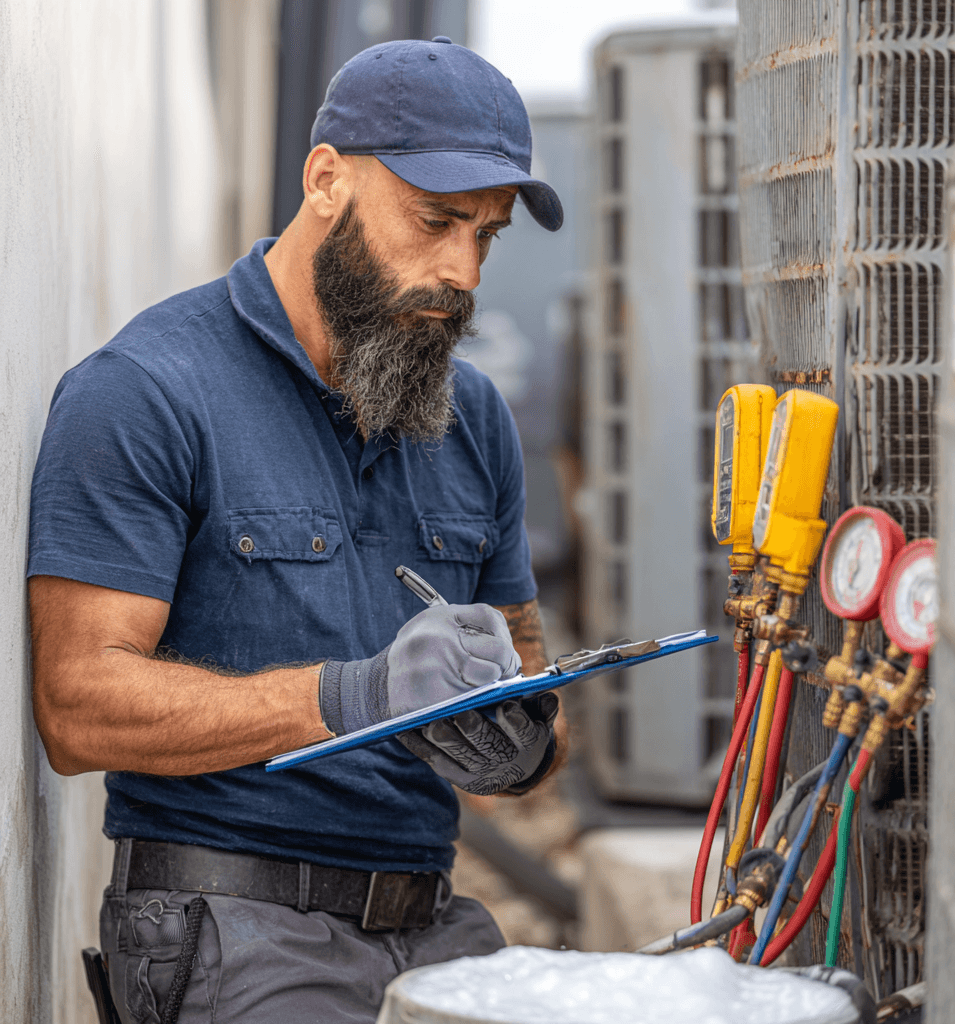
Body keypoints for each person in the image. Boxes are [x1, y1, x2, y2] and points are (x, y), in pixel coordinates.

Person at [28, 36, 565, 1024]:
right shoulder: (145, 392)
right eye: (435, 220)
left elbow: (529, 668)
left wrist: (521, 737)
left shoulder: (474, 417)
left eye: (486, 236)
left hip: (433, 919)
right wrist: (350, 696)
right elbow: (77, 709)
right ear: (325, 180)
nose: (463, 271)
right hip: (228, 920)